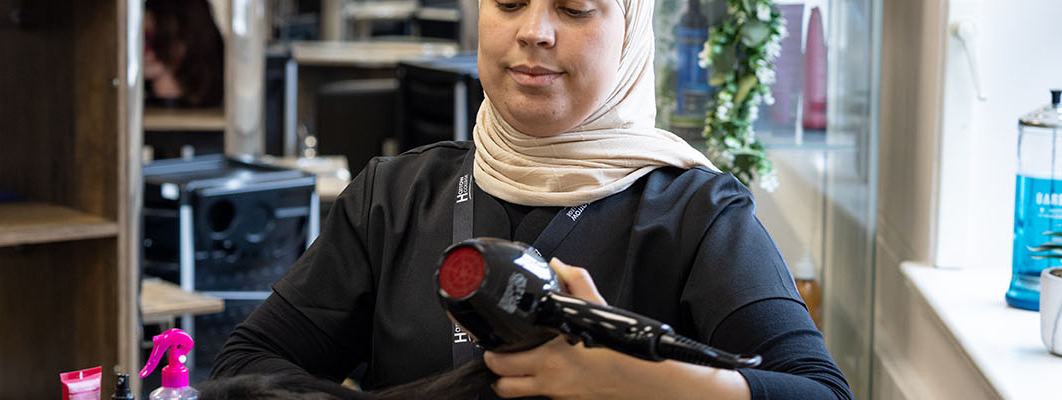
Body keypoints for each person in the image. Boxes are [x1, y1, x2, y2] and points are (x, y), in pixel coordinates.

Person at [209, 0, 851, 399]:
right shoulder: (395, 198)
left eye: (573, 9)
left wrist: (645, 386)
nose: (533, 31)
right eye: (509, 1)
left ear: (629, 29)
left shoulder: (696, 214)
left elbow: (818, 393)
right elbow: (245, 369)